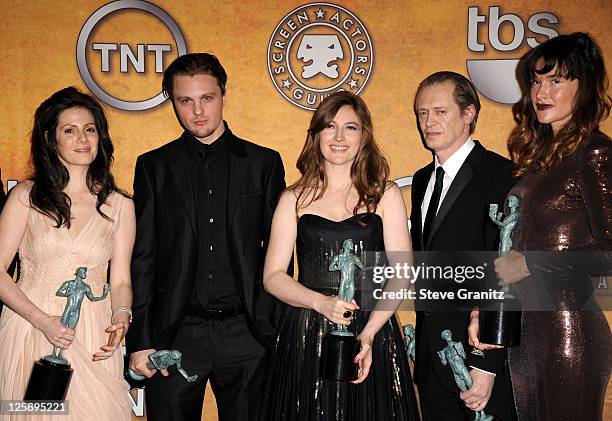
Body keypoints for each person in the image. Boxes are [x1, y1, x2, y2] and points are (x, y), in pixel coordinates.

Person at [126, 53, 287, 421]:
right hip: (176, 333)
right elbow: (144, 257)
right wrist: (142, 340)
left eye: (207, 98)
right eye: (185, 100)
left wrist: (274, 326)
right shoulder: (154, 167)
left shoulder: (264, 164)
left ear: (224, 95)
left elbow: (280, 254)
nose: (197, 111)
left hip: (248, 334)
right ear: (173, 103)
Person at [468, 32, 612, 421]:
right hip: (527, 334)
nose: (541, 91)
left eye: (556, 80)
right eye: (536, 80)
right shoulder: (538, 161)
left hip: (569, 333)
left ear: (585, 86)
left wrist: (532, 263)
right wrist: (490, 306)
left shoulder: (595, 152)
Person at [261, 91, 419, 420]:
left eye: (350, 127)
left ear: (364, 136)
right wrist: (320, 303)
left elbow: (402, 272)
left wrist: (370, 332)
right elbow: (273, 277)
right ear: (316, 134)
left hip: (371, 326)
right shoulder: (293, 198)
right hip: (307, 329)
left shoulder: (385, 194)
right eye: (330, 127)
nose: (339, 137)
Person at [0, 87, 135, 420]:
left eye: (90, 129)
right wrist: (43, 322)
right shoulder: (25, 197)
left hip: (94, 336)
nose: (83, 139)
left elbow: (119, 279)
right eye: (70, 131)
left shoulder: (120, 204)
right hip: (30, 327)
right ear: (51, 138)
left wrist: (122, 314)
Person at [410, 71, 517, 420]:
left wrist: (488, 366)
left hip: (477, 359)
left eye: (440, 111)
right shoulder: (424, 179)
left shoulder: (502, 174)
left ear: (468, 113)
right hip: (432, 359)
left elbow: (508, 270)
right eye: (422, 113)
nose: (428, 122)